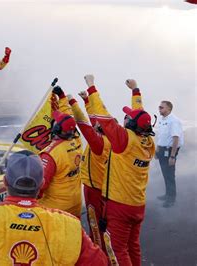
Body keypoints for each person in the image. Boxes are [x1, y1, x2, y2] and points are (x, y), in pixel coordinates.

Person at [84, 75, 155, 266]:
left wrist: (91, 87)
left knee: (117, 249)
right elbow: (141, 116)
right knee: (133, 246)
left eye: (127, 118)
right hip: (138, 203)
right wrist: (135, 90)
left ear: (130, 125)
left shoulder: (124, 140)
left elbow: (104, 115)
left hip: (120, 205)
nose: (124, 119)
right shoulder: (148, 141)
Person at [68, 92, 110, 249]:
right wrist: (86, 100)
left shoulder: (98, 143)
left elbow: (84, 125)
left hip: (95, 190)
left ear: (100, 128)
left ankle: (99, 254)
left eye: (98, 124)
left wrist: (72, 101)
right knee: (102, 224)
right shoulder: (109, 138)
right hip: (103, 188)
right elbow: (93, 120)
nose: (96, 123)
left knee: (95, 225)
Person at [38, 86, 83, 218]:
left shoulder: (51, 153)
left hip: (55, 209)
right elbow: (68, 118)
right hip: (75, 203)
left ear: (57, 128)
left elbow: (41, 184)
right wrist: (62, 98)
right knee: (74, 236)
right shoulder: (77, 140)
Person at [155, 100, 184, 208]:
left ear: (169, 109)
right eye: (159, 107)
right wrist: (157, 150)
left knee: (170, 175)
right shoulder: (162, 120)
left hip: (170, 150)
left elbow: (176, 138)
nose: (159, 109)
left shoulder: (173, 121)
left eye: (162, 107)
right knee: (165, 173)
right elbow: (161, 136)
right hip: (162, 149)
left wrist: (172, 156)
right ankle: (167, 194)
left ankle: (171, 199)